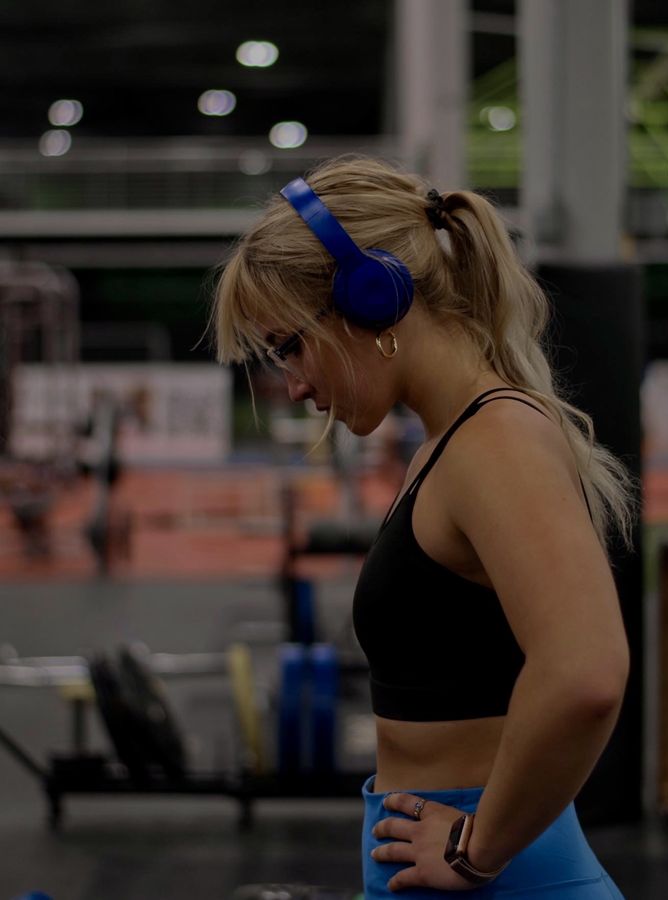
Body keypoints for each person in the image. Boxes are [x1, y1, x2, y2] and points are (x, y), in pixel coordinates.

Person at [212, 156, 634, 898]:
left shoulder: (494, 440)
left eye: (290, 346)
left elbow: (585, 672)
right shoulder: (449, 442)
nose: (295, 384)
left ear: (373, 300)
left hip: (489, 875)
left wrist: (478, 851)